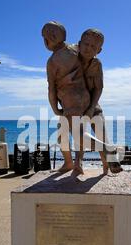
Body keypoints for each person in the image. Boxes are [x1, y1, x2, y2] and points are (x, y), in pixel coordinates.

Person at [42, 21, 90, 173]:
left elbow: (51, 88)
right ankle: (77, 162)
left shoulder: (52, 61)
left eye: (45, 38)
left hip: (70, 100)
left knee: (65, 135)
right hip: (85, 96)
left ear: (49, 38)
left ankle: (72, 163)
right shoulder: (76, 48)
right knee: (78, 131)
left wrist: (55, 108)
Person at [78, 28, 122, 175]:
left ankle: (107, 167)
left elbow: (98, 88)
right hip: (75, 107)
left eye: (93, 47)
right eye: (86, 44)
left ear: (99, 50)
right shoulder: (71, 60)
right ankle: (77, 166)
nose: (88, 49)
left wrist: (91, 108)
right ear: (79, 44)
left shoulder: (97, 64)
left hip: (94, 107)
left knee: (103, 136)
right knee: (79, 137)